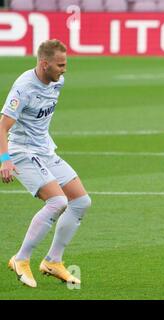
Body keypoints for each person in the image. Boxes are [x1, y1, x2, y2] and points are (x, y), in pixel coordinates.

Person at [0, 39, 91, 288]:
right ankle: (21, 259)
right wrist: (4, 159)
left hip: (45, 150)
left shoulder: (57, 81)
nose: (64, 69)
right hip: (22, 151)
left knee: (81, 202)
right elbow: (3, 124)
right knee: (58, 201)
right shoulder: (23, 87)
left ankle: (52, 261)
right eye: (60, 65)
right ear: (44, 64)